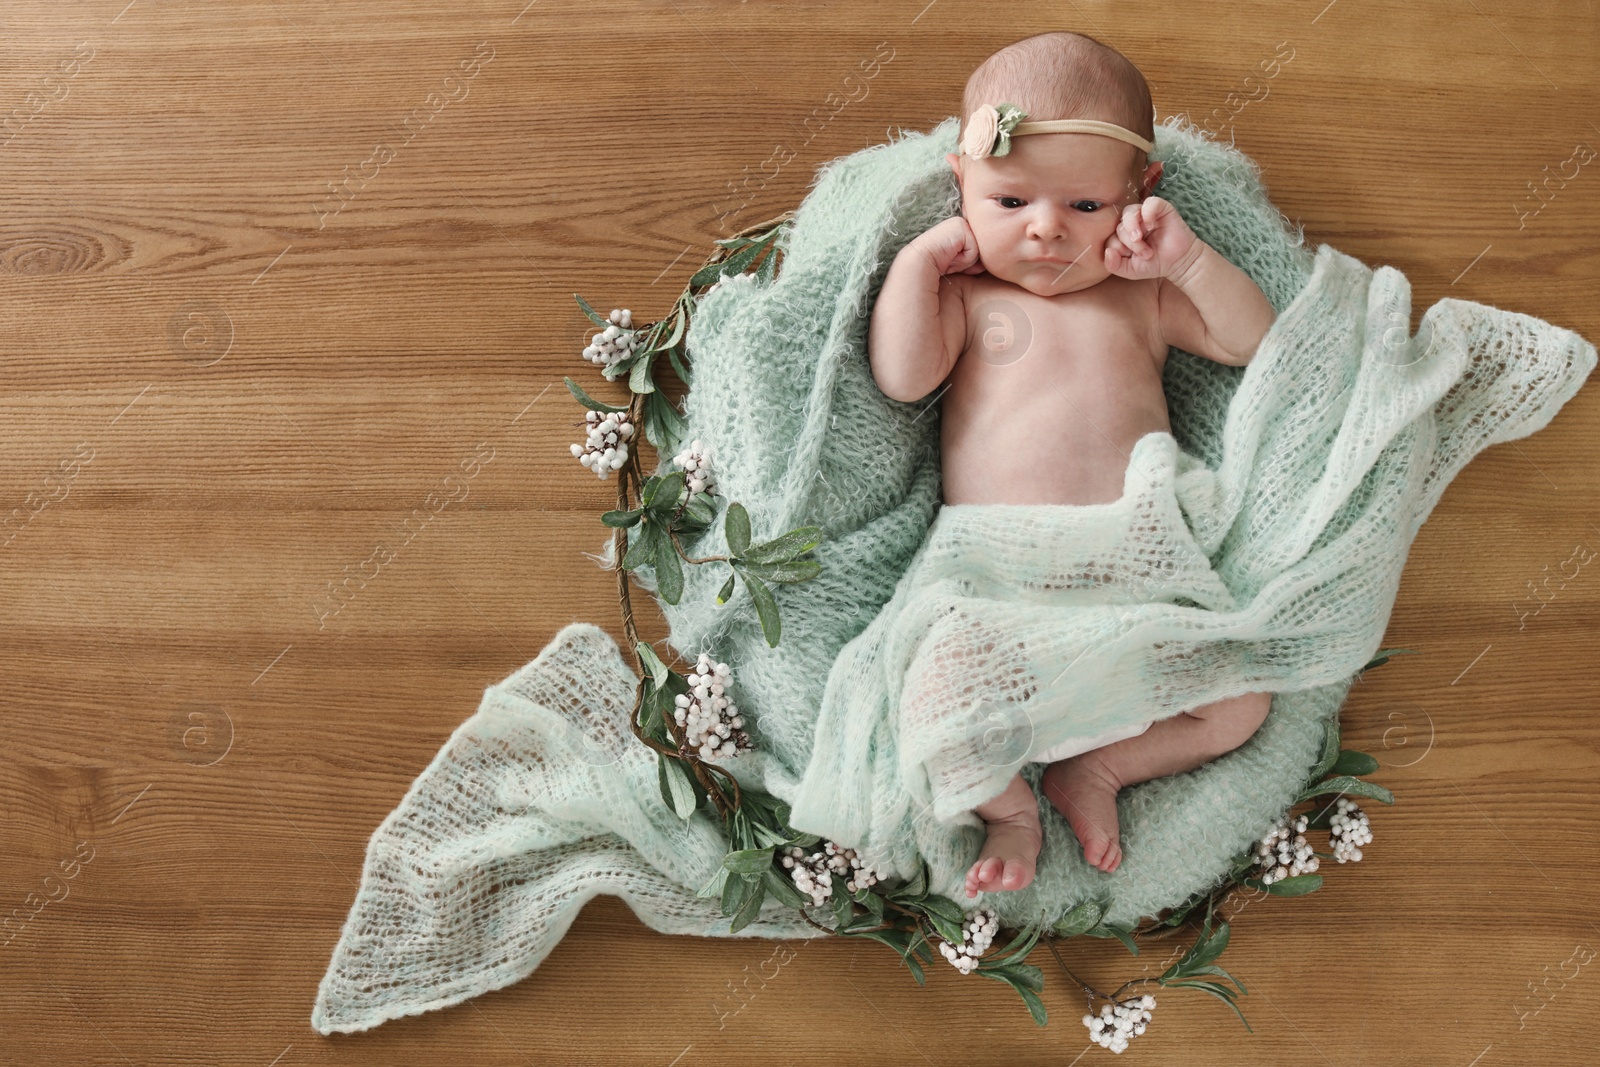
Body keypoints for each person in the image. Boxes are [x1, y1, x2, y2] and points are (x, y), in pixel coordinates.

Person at [866, 31, 1278, 896]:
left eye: (1085, 207)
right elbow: (904, 380)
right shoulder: (970, 295)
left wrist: (1190, 262)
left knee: (1241, 703)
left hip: (1133, 565)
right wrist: (916, 266)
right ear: (961, 184)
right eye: (1010, 200)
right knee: (935, 697)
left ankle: (1099, 769)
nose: (1046, 228)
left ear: (1140, 194)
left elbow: (1254, 343)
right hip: (995, 572)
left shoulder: (1144, 292)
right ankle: (1011, 808)